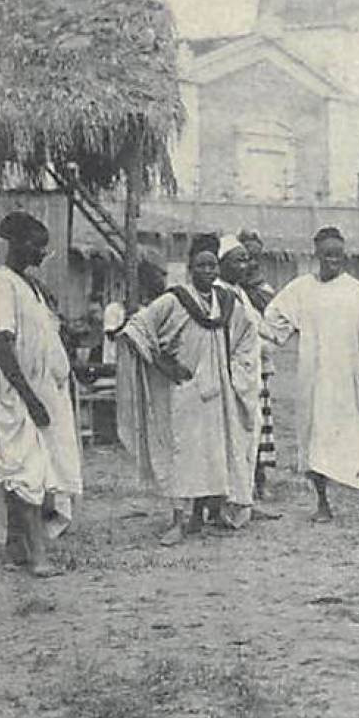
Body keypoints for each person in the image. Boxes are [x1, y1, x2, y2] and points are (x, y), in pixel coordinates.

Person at [117, 233, 260, 544]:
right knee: (184, 454)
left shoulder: (226, 303)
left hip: (218, 389)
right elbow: (135, 330)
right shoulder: (174, 300)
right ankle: (178, 520)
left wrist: (236, 373)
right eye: (201, 265)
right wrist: (164, 365)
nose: (208, 271)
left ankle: (204, 513)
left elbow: (248, 336)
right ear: (190, 268)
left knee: (214, 452)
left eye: (212, 265)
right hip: (184, 391)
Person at [264, 226, 359, 524]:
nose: (334, 259)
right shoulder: (302, 288)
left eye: (339, 254)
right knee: (315, 437)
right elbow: (273, 318)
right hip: (315, 377)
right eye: (328, 254)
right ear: (317, 254)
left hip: (349, 377)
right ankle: (323, 503)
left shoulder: (355, 290)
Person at [0, 212, 80, 576]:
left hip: (44, 392)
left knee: (37, 469)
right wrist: (29, 398)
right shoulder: (0, 283)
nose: (43, 252)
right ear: (16, 243)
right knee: (25, 471)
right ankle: (39, 558)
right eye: (36, 245)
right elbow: (2, 344)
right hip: (18, 392)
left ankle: (16, 549)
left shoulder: (32, 287)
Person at [217, 236, 280, 520]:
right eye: (238, 260)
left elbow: (259, 326)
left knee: (247, 439)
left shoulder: (240, 292)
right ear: (222, 264)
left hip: (248, 375)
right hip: (229, 377)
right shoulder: (219, 293)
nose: (245, 265)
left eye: (246, 260)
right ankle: (225, 505)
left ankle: (243, 502)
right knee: (229, 440)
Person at [237, 229, 280, 493]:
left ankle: (259, 478)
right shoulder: (229, 289)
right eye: (245, 258)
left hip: (259, 364)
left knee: (259, 420)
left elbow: (271, 329)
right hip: (235, 363)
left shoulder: (263, 291)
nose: (251, 264)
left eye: (255, 257)